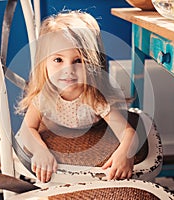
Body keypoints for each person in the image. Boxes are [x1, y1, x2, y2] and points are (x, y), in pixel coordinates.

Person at [16, 10, 138, 183]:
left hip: (92, 137)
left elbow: (128, 133)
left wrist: (125, 154)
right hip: (53, 137)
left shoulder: (94, 98)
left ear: (92, 63)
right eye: (58, 60)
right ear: (44, 63)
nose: (68, 70)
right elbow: (27, 128)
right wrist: (40, 151)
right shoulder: (45, 95)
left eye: (78, 61)